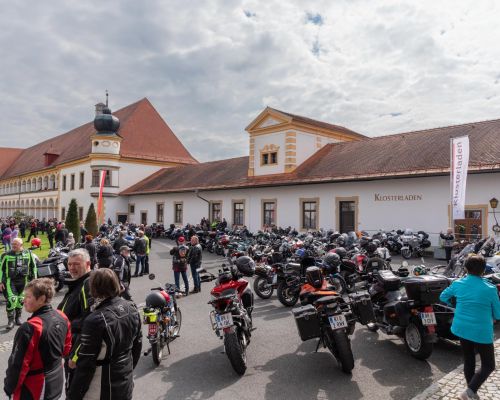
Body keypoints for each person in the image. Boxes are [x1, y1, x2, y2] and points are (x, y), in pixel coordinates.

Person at [67, 269, 142, 400]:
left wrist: (72, 396)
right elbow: (137, 345)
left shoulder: (95, 320)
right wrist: (128, 370)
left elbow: (85, 366)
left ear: (93, 288)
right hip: (125, 377)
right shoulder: (131, 307)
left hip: (102, 385)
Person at [440, 255, 500, 400]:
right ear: (484, 270)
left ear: (466, 269)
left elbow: (443, 297)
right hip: (481, 331)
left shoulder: (458, 283)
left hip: (461, 327)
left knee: (469, 359)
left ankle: (470, 392)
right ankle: (469, 392)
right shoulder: (490, 288)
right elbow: (498, 314)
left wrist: (454, 304)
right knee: (489, 365)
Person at [4, 278, 72, 400]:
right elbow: (66, 349)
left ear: (41, 299)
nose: (24, 300)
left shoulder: (31, 327)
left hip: (36, 386)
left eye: (28, 297)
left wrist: (9, 388)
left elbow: (18, 366)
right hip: (56, 378)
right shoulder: (62, 316)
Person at [57, 248, 93, 393]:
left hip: (77, 350)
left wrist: (76, 355)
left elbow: (91, 323)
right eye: (70, 264)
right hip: (70, 345)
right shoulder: (79, 282)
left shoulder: (88, 284)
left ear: (88, 264)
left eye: (76, 264)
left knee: (73, 390)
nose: (72, 268)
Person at [0, 238, 38, 330]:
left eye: (15, 244)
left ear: (21, 245)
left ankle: (18, 318)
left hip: (24, 280)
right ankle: (10, 321)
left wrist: (35, 280)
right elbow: (1, 269)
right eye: (12, 244)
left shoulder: (28, 254)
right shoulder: (6, 255)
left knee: (21, 299)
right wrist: (1, 281)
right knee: (12, 299)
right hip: (10, 281)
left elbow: (33, 267)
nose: (13, 246)